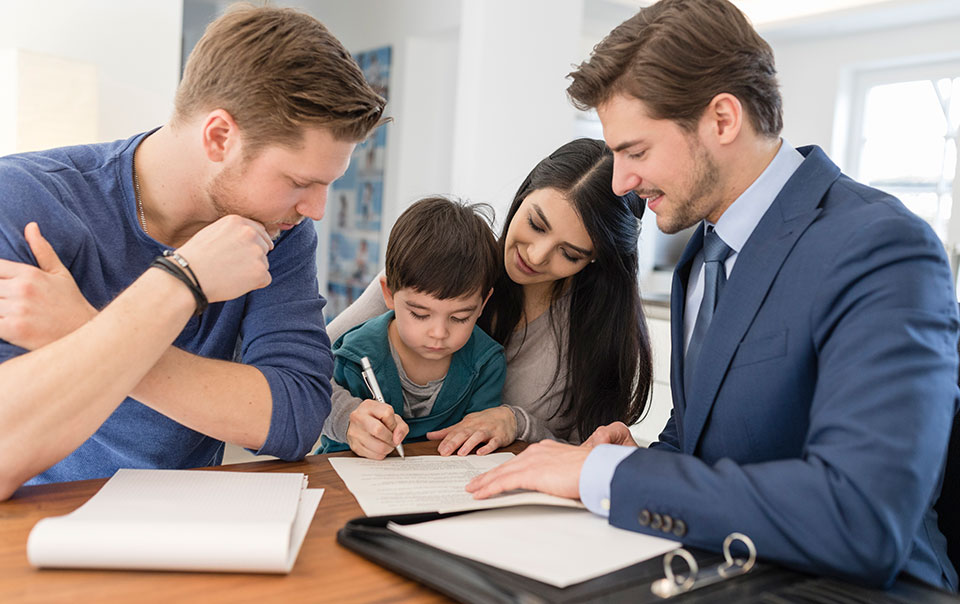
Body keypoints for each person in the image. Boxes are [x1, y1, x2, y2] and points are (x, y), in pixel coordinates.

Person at [466, 0, 959, 592]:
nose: (620, 181)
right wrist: (638, 458)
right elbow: (702, 438)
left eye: (636, 152)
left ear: (722, 120)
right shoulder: (703, 254)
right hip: (720, 569)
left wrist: (614, 478)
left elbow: (861, 516)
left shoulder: (879, 245)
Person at [0, 6, 386, 499]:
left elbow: (297, 416)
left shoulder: (280, 233)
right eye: (299, 182)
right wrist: (182, 281)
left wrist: (83, 330)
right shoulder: (24, 202)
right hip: (37, 530)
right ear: (220, 136)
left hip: (193, 522)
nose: (315, 210)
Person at [324, 138, 653, 455]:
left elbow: (591, 457)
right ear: (523, 196)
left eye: (569, 253)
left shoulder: (599, 335)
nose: (537, 256)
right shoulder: (438, 270)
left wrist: (519, 423)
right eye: (536, 225)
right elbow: (298, 375)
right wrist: (345, 417)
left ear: (595, 258)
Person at [318, 197, 506, 458]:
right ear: (389, 294)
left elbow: (478, 447)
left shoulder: (487, 363)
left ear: (483, 304)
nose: (439, 333)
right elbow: (329, 437)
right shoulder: (354, 354)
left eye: (460, 317)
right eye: (419, 314)